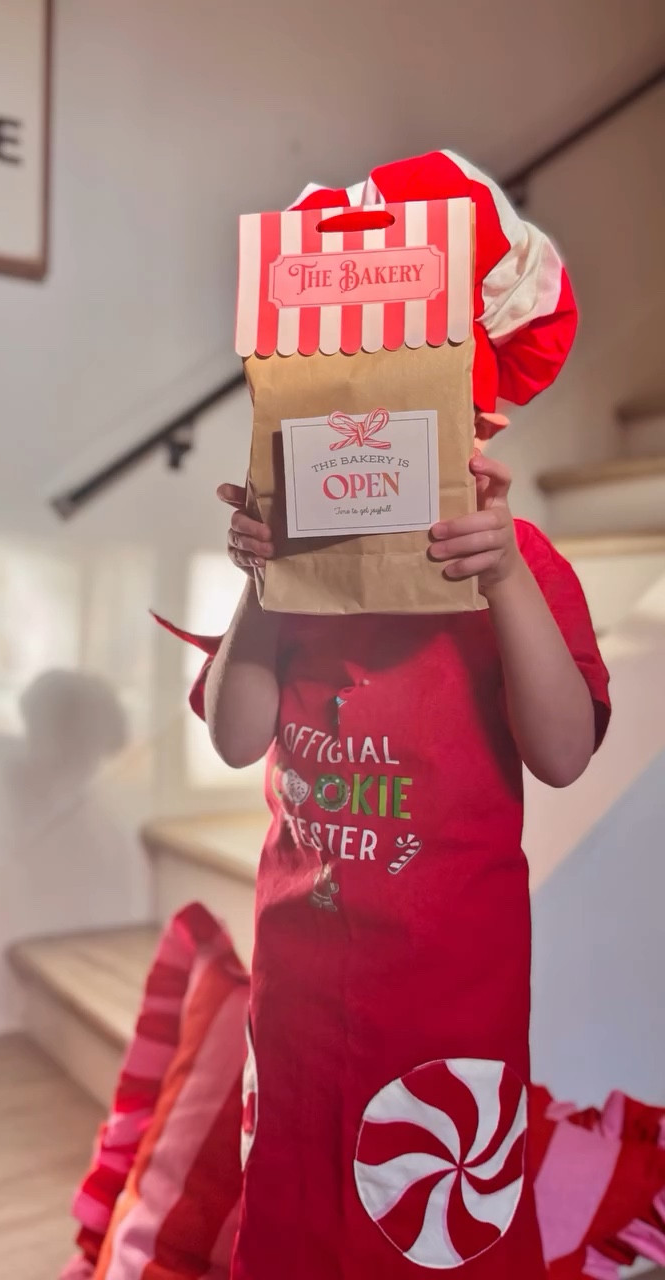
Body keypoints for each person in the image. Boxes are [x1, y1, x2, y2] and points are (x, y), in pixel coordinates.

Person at [158, 152, 611, 1280]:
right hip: (301, 988)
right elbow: (233, 733)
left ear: (472, 398)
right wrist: (263, 575)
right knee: (299, 1218)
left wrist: (504, 577)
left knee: (441, 1240)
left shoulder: (527, 565)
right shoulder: (301, 568)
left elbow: (562, 751)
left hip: (446, 995)